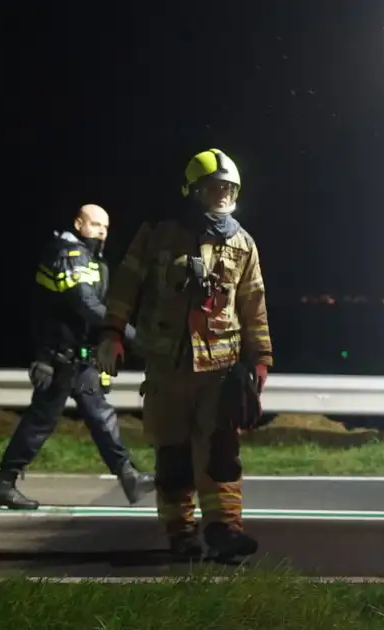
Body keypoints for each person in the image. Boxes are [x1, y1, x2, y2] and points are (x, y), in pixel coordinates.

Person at [97, 148, 272, 563]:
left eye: (229, 188)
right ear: (194, 190)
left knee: (222, 452)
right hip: (167, 368)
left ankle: (225, 530)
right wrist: (112, 333)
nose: (224, 194)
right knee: (173, 453)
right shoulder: (159, 233)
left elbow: (254, 304)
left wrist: (260, 360)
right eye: (215, 187)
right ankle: (182, 532)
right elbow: (126, 283)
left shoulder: (243, 244)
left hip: (222, 370)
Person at [0, 204, 154, 509]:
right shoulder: (67, 254)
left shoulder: (91, 259)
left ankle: (129, 476)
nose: (101, 231)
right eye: (95, 224)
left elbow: (91, 315)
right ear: (79, 223)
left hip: (79, 358)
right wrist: (134, 336)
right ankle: (4, 483)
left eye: (105, 226)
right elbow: (86, 305)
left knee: (101, 416)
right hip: (58, 359)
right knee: (41, 422)